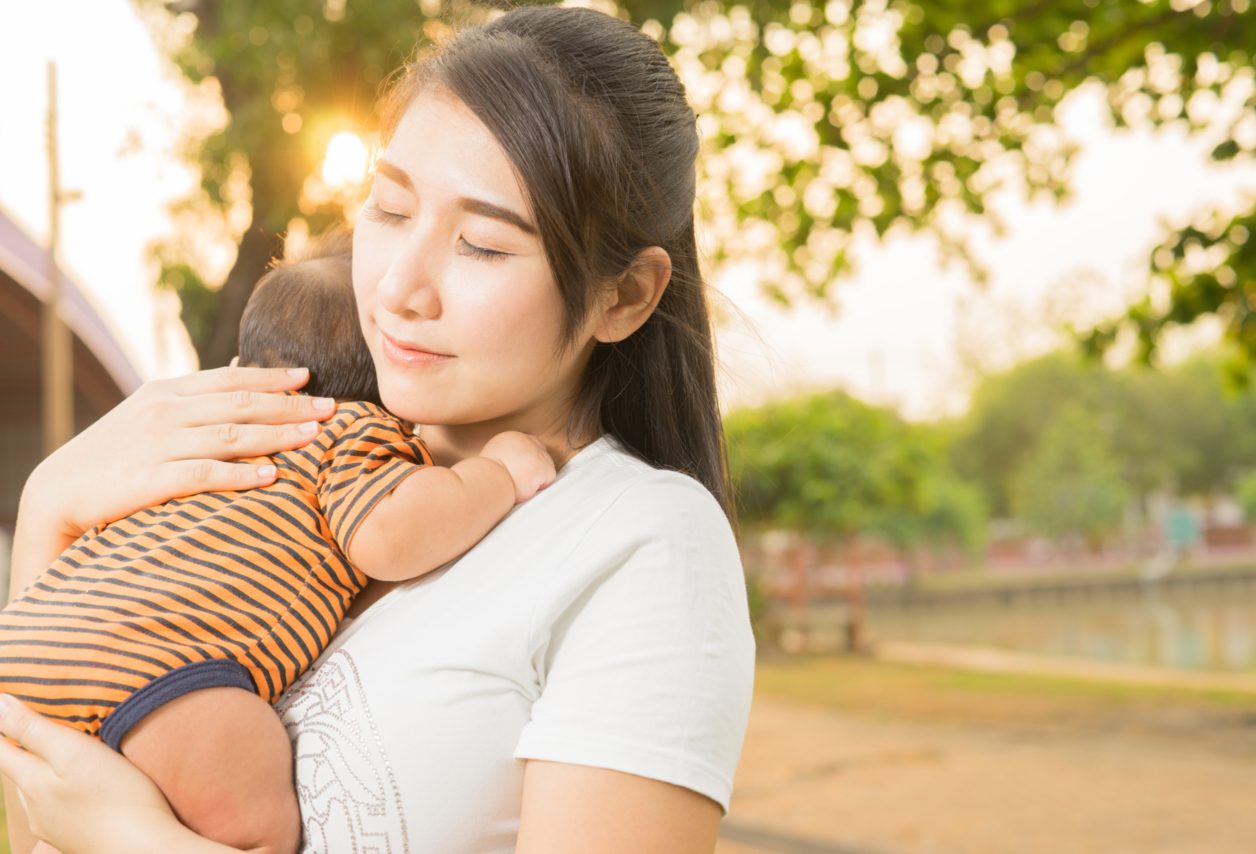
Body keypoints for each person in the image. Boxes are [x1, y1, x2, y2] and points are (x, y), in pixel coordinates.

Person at [0, 6, 755, 853]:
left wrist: (136, 842)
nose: (399, 287)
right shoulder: (292, 464)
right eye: (390, 210)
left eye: (481, 246)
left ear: (622, 297)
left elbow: (95, 816)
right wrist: (49, 510)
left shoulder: (640, 540)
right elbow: (53, 755)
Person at [0, 240, 556, 852]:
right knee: (259, 826)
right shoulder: (352, 431)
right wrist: (494, 475)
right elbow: (386, 535)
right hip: (161, 664)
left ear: (240, 368)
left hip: (35, 639)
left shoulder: (197, 448)